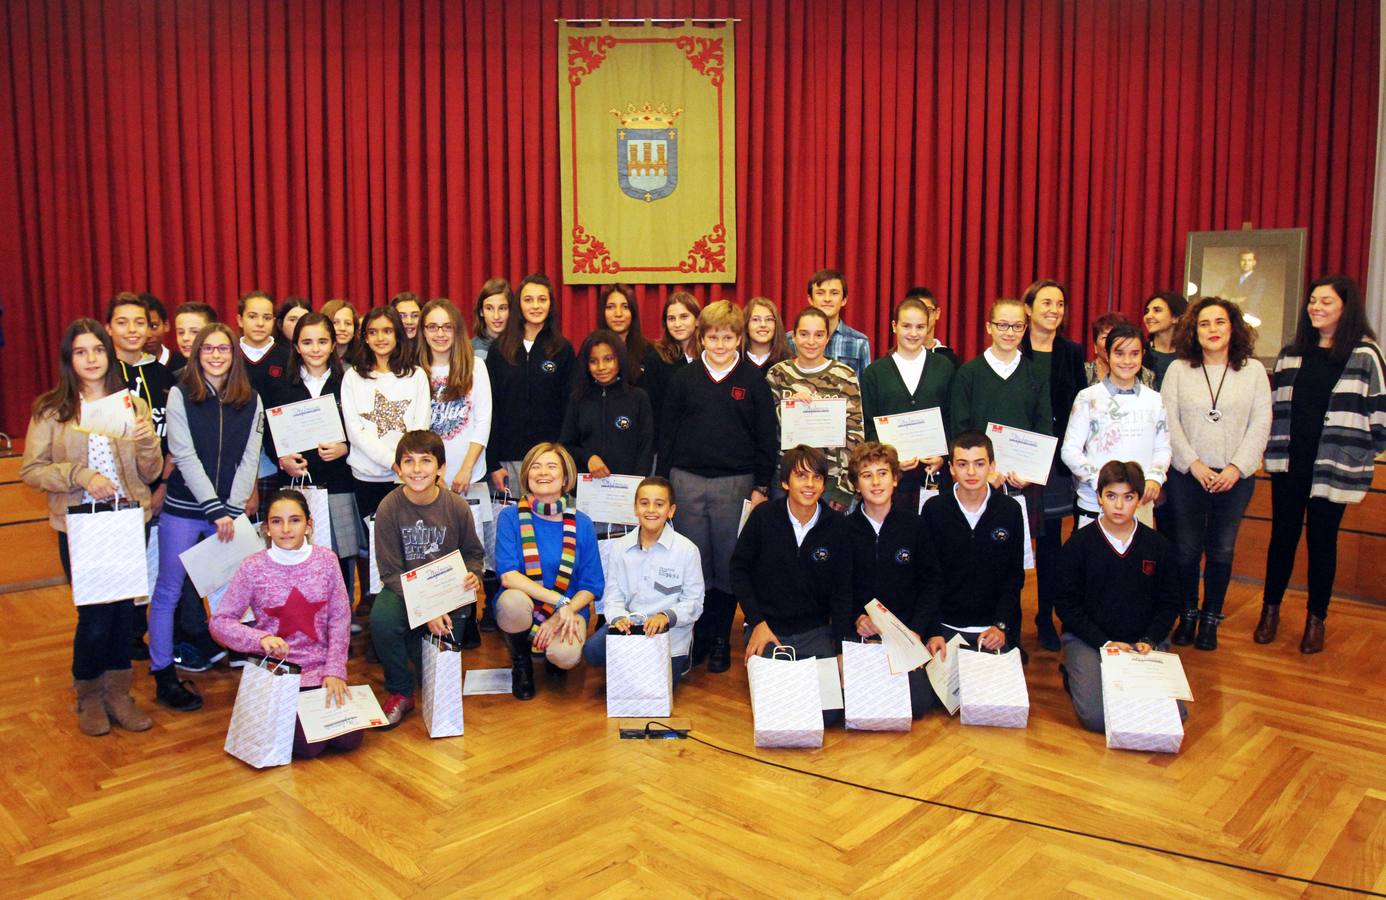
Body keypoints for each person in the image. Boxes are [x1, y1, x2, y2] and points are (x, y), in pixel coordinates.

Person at [21, 319, 162, 735]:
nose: (91, 359)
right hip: (80, 527)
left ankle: (119, 692)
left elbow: (149, 471)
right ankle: (89, 694)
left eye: (97, 350)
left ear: (109, 353)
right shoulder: (52, 408)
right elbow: (32, 469)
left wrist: (145, 441)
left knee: (123, 615)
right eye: (81, 352)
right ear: (70, 359)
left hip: (127, 521)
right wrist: (79, 475)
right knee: (95, 617)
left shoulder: (130, 405)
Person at [1256, 275, 1386, 654]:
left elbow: (1379, 413)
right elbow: (1275, 409)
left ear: (1346, 308)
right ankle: (1270, 611)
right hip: (1290, 463)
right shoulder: (1292, 353)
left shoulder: (1365, 355)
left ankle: (1317, 620)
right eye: (1313, 300)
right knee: (1282, 538)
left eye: (1325, 301)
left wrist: (1365, 454)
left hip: (1334, 467)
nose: (1316, 307)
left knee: (1322, 542)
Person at [658, 300, 778, 673]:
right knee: (696, 562)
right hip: (687, 481)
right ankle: (699, 637)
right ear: (702, 338)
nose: (721, 344)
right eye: (713, 337)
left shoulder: (752, 381)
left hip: (735, 484)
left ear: (739, 338)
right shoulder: (684, 380)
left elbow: (766, 437)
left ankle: (722, 639)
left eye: (728, 337)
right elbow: (668, 434)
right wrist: (665, 485)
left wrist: (761, 486)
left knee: (729, 563)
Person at [152, 323, 264, 711]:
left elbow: (250, 456)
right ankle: (163, 674)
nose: (216, 356)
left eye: (224, 349)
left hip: (229, 513)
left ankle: (247, 654)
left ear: (234, 356)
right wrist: (214, 508)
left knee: (237, 591)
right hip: (185, 509)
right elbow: (183, 454)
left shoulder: (251, 400)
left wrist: (232, 508)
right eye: (208, 349)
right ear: (197, 354)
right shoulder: (181, 395)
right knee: (168, 590)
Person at [210, 489, 360, 757]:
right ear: (266, 528)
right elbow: (220, 622)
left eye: (295, 520)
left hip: (320, 669)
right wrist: (259, 639)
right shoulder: (252, 567)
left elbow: (339, 618)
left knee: (349, 739)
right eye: (277, 522)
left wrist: (335, 670)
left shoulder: (327, 561)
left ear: (309, 525)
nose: (286, 529)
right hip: (278, 672)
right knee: (308, 746)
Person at [1161, 298, 1271, 650]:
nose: (1212, 330)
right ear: (1193, 330)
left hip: (1235, 478)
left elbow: (1261, 423)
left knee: (1222, 550)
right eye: (1204, 323)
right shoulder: (1179, 370)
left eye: (1219, 322)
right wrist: (1192, 463)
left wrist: (1238, 467)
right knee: (1186, 550)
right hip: (1187, 474)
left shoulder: (1253, 371)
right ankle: (1188, 613)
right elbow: (1168, 421)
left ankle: (1211, 618)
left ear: (1233, 327)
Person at [1054, 460, 1181, 734]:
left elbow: (1170, 603)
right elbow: (1066, 605)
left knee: (1173, 715)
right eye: (1111, 496)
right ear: (1099, 497)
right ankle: (1074, 673)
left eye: (1128, 497)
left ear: (1139, 500)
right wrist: (1106, 643)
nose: (1119, 506)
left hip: (1143, 643)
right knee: (1097, 718)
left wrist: (1149, 639)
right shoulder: (1078, 544)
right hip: (1091, 641)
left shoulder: (1158, 546)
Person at [732, 445, 853, 728]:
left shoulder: (838, 527)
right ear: (786, 482)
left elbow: (842, 592)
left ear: (824, 484)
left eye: (816, 478)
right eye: (801, 476)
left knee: (828, 714)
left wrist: (840, 650)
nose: (809, 485)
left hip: (814, 631)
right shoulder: (763, 518)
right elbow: (738, 570)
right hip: (769, 630)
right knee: (776, 709)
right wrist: (757, 622)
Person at [370, 430, 485, 725]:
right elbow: (389, 573)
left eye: (426, 461)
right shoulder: (388, 508)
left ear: (441, 468)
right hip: (404, 593)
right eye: (409, 461)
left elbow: (473, 554)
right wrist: (427, 608)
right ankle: (399, 690)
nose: (417, 470)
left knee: (436, 679)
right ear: (398, 469)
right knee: (382, 618)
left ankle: (420, 654)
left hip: (449, 595)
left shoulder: (456, 506)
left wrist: (473, 574)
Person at [494, 442, 604, 699]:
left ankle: (552, 658)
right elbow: (508, 576)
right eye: (536, 466)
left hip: (568, 610)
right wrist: (558, 601)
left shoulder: (582, 522)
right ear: (526, 475)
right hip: (526, 605)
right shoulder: (510, 517)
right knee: (511, 603)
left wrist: (559, 615)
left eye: (551, 466)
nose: (543, 472)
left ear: (565, 478)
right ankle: (521, 663)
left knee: (564, 655)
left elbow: (591, 585)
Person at [263, 313, 361, 599]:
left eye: (322, 341)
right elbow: (269, 432)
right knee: (297, 550)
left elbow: (364, 427)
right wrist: (282, 458)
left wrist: (347, 448)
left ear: (333, 345)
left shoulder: (350, 381)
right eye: (307, 342)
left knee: (340, 553)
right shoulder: (281, 385)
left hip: (340, 481)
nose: (315, 349)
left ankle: (342, 614)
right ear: (296, 347)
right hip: (296, 484)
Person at [582, 476, 704, 688]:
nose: (651, 510)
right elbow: (613, 596)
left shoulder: (687, 550)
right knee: (592, 651)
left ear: (671, 510)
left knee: (658, 687)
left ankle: (677, 660)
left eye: (659, 504)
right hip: (631, 627)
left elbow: (694, 603)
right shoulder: (620, 547)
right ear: (635, 508)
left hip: (669, 634)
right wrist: (619, 618)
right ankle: (627, 663)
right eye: (644, 503)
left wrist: (666, 616)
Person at [1018, 279, 1087, 650]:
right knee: (1012, 541)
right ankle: (1008, 618)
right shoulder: (1014, 348)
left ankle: (1046, 617)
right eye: (1045, 302)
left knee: (1049, 546)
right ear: (1028, 309)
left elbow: (1078, 404)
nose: (1054, 310)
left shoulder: (1071, 352)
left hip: (1057, 464)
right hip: (1018, 460)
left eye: (1059, 303)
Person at [844, 442, 936, 718]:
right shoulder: (844, 530)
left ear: (895, 479)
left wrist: (917, 631)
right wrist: (856, 618)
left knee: (918, 705)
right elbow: (838, 588)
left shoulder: (915, 526)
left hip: (904, 635)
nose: (876, 482)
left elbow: (931, 583)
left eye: (882, 473)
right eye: (866, 475)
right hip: (862, 634)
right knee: (853, 705)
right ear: (856, 485)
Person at [419, 297, 492, 645]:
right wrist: (432, 475)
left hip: (467, 475)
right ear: (423, 331)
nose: (440, 333)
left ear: (458, 330)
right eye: (432, 326)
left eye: (447, 326)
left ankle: (466, 619)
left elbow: (483, 420)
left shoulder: (476, 366)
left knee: (465, 550)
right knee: (433, 549)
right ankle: (434, 619)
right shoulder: (415, 370)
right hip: (427, 478)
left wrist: (465, 468)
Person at [918, 431, 1025, 655]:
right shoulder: (934, 510)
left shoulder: (1010, 510)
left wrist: (1001, 625)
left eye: (979, 464)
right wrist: (933, 629)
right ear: (951, 469)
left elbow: (1014, 577)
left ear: (992, 466)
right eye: (962, 464)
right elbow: (926, 576)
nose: (971, 472)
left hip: (993, 629)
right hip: (944, 627)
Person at [1062, 322, 1171, 524]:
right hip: (1095, 503)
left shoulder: (1154, 399)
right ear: (1108, 355)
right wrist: (1102, 484)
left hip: (1139, 503)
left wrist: (1155, 478)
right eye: (1119, 353)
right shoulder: (1087, 397)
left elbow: (1163, 448)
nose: (1127, 361)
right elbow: (1070, 450)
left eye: (1134, 353)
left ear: (1142, 355)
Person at [860, 292, 956, 512]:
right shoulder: (875, 372)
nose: (913, 333)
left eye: (920, 327)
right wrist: (890, 460)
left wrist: (943, 455)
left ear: (929, 326)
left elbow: (952, 417)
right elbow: (868, 425)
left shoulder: (944, 367)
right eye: (906, 326)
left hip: (934, 476)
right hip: (890, 478)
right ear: (894, 326)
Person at [766, 307, 864, 510]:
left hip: (830, 481)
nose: (811, 341)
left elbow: (855, 435)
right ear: (793, 336)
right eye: (804, 334)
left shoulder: (844, 375)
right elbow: (765, 428)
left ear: (828, 337)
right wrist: (789, 407)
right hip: (785, 479)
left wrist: (845, 489)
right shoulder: (777, 374)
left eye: (819, 335)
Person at [341, 305, 431, 526]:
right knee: (375, 548)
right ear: (365, 338)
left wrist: (404, 464)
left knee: (409, 544)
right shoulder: (352, 377)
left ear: (398, 335)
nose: (380, 338)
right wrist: (392, 461)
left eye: (387, 331)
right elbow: (355, 432)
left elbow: (420, 427)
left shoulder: (416, 375)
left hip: (408, 476)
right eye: (373, 332)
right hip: (367, 476)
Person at [485, 273, 574, 496]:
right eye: (528, 299)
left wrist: (562, 456)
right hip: (507, 460)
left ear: (551, 304)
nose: (535, 306)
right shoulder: (499, 349)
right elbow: (490, 407)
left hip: (549, 460)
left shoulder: (562, 349)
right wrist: (492, 463)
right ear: (519, 305)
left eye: (542, 299)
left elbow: (569, 408)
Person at [561, 329, 654, 479]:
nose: (601, 367)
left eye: (608, 359)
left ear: (620, 360)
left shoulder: (638, 398)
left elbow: (646, 448)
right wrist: (588, 457)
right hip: (587, 487)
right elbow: (566, 445)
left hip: (627, 489)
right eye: (593, 361)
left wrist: (637, 484)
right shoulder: (578, 399)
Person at [788, 269, 871, 379]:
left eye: (834, 293)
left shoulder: (858, 342)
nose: (827, 299)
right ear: (810, 299)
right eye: (820, 293)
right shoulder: (789, 341)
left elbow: (864, 389)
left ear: (844, 300)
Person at [646, 291, 702, 403]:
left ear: (697, 320)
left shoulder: (708, 355)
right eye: (671, 318)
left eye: (684, 317)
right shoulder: (657, 358)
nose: (677, 324)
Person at [1085, 312, 1155, 387]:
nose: (1111, 343)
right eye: (1105, 337)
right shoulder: (1082, 372)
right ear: (1095, 345)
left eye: (1117, 337)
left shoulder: (1146, 376)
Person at [1143, 291, 1189, 389]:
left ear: (1176, 318)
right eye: (1147, 311)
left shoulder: (1190, 355)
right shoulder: (1140, 351)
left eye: (1157, 310)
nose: (1148, 316)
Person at [909, 287, 962, 370]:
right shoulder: (896, 358)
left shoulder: (950, 360)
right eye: (918, 310)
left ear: (937, 313)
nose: (924, 316)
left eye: (928, 310)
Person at [743, 296, 791, 376]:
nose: (763, 325)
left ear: (776, 325)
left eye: (769, 319)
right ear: (746, 325)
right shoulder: (734, 362)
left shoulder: (788, 363)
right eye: (755, 319)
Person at [471, 277, 512, 362]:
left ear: (511, 310)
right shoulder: (470, 350)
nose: (496, 316)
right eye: (489, 308)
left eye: (502, 308)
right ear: (481, 311)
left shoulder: (521, 346)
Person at [171, 302, 218, 374]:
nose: (185, 338)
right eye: (181, 332)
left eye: (195, 332)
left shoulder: (233, 375)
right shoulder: (173, 379)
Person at [1226, 250, 1268, 325]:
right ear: (1239, 262)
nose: (1246, 263)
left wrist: (1232, 299)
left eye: (1249, 260)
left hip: (1251, 317)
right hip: (1231, 317)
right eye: (1243, 260)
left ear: (1254, 262)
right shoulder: (1231, 280)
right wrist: (1233, 299)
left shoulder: (1259, 280)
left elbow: (1254, 299)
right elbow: (1222, 297)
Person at [141, 293, 179, 369]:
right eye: (142, 327)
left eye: (154, 326)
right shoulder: (125, 367)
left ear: (166, 325)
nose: (149, 335)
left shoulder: (183, 364)